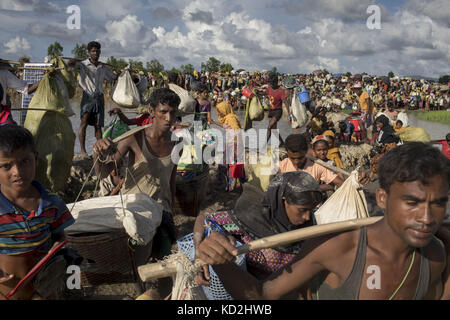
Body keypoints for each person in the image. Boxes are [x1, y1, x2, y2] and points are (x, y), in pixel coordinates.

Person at [196, 142, 450, 300]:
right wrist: (221, 261)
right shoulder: (337, 246)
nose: (427, 219)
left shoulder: (436, 255)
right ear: (382, 198)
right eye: (412, 203)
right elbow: (262, 295)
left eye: (438, 203)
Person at [194, 172, 323, 287]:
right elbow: (204, 219)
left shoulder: (309, 227)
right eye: (302, 210)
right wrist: (199, 251)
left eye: (311, 210)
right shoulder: (252, 219)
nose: (307, 216)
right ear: (283, 201)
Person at [93, 88, 181, 258]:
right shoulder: (135, 138)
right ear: (151, 112)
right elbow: (104, 172)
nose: (169, 118)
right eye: (163, 112)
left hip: (161, 210)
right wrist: (99, 153)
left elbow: (171, 182)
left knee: (163, 256)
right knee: (134, 257)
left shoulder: (178, 144)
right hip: (135, 209)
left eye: (173, 112)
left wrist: (172, 212)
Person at [0, 125, 76, 300]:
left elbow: (60, 236)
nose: (17, 172)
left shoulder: (52, 204)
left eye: (24, 161)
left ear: (36, 158)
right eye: (6, 166)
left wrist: (58, 246)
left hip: (41, 290)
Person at [68, 41, 118, 159]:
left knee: (98, 125)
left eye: (97, 51)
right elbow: (69, 66)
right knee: (84, 122)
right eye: (93, 51)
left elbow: (113, 77)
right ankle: (83, 151)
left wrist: (125, 73)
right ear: (89, 52)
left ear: (100, 52)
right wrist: (74, 60)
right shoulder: (83, 64)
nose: (96, 53)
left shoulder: (102, 67)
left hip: (99, 97)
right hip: (88, 97)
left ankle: (100, 150)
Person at [278, 134, 344, 192]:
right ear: (287, 153)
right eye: (292, 158)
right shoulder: (281, 165)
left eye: (300, 158)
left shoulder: (318, 167)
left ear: (306, 151)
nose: (296, 162)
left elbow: (340, 183)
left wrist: (310, 188)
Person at [212, 94, 244, 191]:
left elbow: (236, 131)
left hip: (233, 144)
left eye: (219, 111)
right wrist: (213, 122)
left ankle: (231, 186)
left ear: (224, 110)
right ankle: (231, 185)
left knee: (229, 165)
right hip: (231, 144)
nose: (219, 113)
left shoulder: (231, 118)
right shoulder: (229, 117)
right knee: (227, 164)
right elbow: (226, 126)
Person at [264, 72, 286, 144]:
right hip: (271, 111)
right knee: (273, 129)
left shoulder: (280, 91)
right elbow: (265, 93)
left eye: (271, 83)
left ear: (275, 82)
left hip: (278, 111)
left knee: (269, 127)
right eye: (269, 83)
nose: (270, 84)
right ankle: (282, 142)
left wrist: (289, 113)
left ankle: (264, 144)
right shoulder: (269, 89)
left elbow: (285, 102)